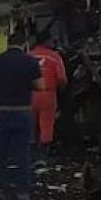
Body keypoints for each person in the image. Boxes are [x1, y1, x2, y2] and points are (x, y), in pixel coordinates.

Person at [0, 33, 44, 200]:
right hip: (23, 111)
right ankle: (23, 192)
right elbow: (41, 86)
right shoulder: (30, 62)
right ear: (24, 45)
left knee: (0, 152)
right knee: (23, 153)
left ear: (7, 44)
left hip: (2, 111)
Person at [29, 34, 68, 164]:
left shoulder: (28, 55)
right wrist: (60, 90)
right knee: (46, 123)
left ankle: (31, 154)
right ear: (46, 41)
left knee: (31, 123)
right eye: (53, 40)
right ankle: (43, 155)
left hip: (29, 94)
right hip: (47, 94)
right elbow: (62, 79)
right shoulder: (54, 56)